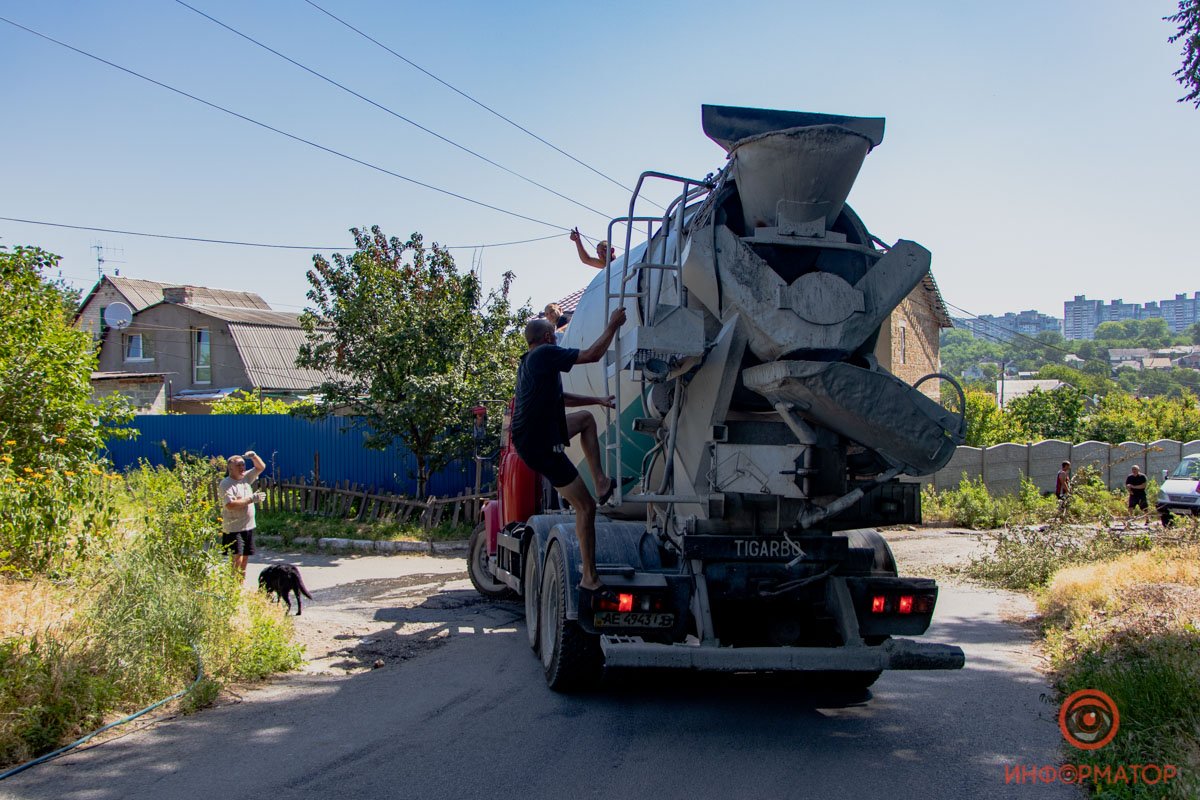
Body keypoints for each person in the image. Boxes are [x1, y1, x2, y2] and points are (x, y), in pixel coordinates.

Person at [510, 307, 627, 606]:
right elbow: (592, 355)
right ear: (549, 337)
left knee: (586, 418)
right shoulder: (545, 354)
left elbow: (560, 400)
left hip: (535, 437)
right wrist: (613, 324)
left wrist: (597, 399)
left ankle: (601, 481)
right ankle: (590, 578)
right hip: (540, 443)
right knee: (585, 508)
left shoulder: (531, 362)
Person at [220, 450, 267, 577]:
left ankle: (240, 585)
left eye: (243, 465)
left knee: (245, 558)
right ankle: (233, 586)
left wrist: (254, 457)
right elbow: (230, 505)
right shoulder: (226, 484)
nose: (242, 468)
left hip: (248, 526)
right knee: (237, 558)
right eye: (238, 465)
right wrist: (251, 499)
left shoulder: (245, 478)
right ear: (231, 468)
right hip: (234, 528)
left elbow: (260, 467)